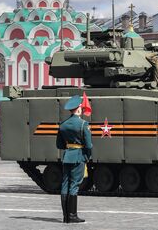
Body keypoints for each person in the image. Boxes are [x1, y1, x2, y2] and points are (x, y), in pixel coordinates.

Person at [56, 95, 93, 223]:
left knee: (65, 185)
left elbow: (59, 145)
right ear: (78, 109)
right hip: (78, 157)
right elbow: (88, 145)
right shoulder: (83, 124)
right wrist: (86, 157)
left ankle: (66, 216)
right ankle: (72, 215)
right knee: (74, 186)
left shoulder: (63, 125)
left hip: (67, 157)